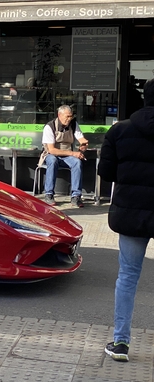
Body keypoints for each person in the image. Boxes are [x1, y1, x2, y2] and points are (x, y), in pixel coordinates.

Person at [99, 78, 154, 363]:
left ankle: (121, 342)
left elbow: (105, 172)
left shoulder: (120, 130)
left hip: (131, 213)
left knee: (128, 277)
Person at [40, 105, 89, 208]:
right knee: (52, 161)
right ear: (59, 115)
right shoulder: (50, 127)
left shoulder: (74, 125)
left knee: (77, 162)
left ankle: (76, 196)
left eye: (71, 116)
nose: (69, 119)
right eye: (67, 116)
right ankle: (49, 194)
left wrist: (83, 145)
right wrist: (73, 153)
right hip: (51, 155)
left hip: (66, 156)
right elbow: (52, 150)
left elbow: (81, 139)